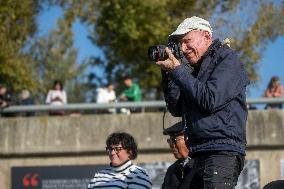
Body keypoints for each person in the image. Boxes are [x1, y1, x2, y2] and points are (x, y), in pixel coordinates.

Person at [156, 16, 250, 188]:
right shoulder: (196, 70)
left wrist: (177, 70)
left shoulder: (228, 60)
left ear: (206, 36)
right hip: (199, 152)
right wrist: (168, 74)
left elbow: (209, 99)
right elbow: (176, 109)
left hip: (221, 151)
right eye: (180, 44)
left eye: (187, 41)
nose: (183, 49)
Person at [87, 132, 152, 189]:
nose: (112, 153)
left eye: (117, 149)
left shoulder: (138, 174)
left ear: (130, 152)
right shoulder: (99, 175)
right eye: (110, 149)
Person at [162, 121, 194, 189]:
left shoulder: (202, 166)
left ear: (187, 139)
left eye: (174, 140)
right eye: (169, 141)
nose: (171, 145)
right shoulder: (172, 170)